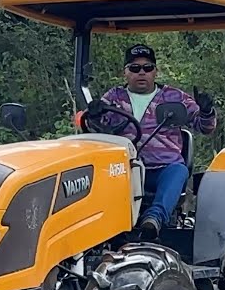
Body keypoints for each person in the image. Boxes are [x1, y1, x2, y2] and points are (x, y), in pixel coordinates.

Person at [89, 44, 216, 238]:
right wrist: (94, 114)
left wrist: (206, 111)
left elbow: (205, 127)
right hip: (124, 169)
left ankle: (154, 218)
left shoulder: (174, 98)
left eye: (147, 68)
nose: (142, 73)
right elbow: (96, 127)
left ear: (155, 71)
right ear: (125, 72)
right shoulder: (114, 97)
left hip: (162, 168)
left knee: (178, 170)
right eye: (135, 68)